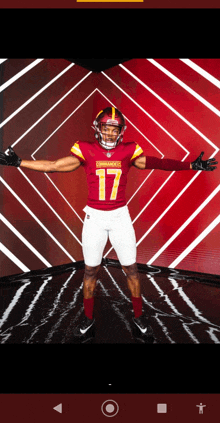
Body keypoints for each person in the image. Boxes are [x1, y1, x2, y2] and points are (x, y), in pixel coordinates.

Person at [0, 107, 218, 340]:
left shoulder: (128, 151)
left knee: (131, 270)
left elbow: (157, 163)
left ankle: (138, 316)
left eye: (115, 129)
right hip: (94, 217)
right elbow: (54, 166)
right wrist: (19, 162)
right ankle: (87, 318)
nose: (111, 133)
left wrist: (191, 166)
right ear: (98, 128)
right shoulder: (86, 150)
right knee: (90, 271)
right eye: (106, 128)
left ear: (121, 131)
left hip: (120, 217)